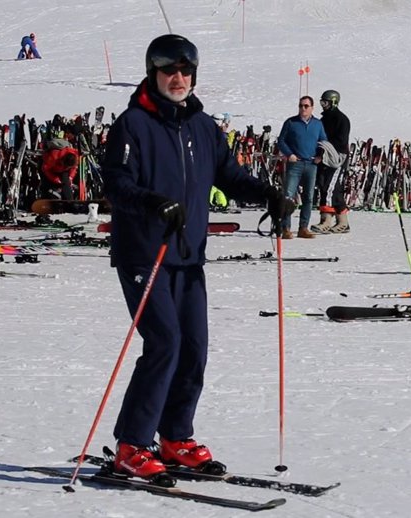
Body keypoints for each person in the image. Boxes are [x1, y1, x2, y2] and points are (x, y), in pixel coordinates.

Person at [100, 34, 294, 479]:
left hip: (188, 257)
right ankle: (132, 444)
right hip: (143, 254)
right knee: (164, 342)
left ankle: (174, 436)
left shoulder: (204, 127)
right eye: (170, 71)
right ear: (154, 73)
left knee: (193, 348)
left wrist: (268, 194)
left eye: (186, 71)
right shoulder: (133, 124)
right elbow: (117, 183)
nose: (179, 79)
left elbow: (230, 175)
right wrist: (152, 203)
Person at [277, 95, 327, 239]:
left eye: (306, 106)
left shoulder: (318, 124)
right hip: (295, 164)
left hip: (311, 165)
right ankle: (285, 227)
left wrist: (320, 156)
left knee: (309, 197)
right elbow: (281, 141)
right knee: (288, 196)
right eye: (301, 106)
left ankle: (303, 228)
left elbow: (323, 142)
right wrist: (289, 154)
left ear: (312, 108)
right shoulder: (291, 122)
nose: (303, 108)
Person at [310, 89, 351, 234]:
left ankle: (326, 221)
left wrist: (325, 148)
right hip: (323, 158)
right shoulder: (323, 119)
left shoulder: (341, 119)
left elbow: (340, 142)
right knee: (327, 187)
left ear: (333, 102)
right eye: (321, 102)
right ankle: (343, 222)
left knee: (329, 187)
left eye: (325, 102)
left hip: (336, 159)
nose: (323, 105)